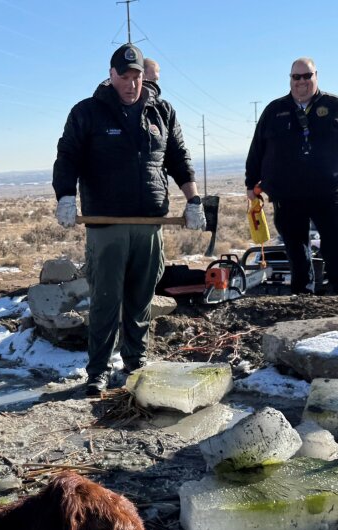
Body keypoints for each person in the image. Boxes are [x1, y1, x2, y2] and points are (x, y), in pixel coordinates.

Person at [53, 43, 203, 398]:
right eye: (124, 76)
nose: (131, 83)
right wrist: (64, 196)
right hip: (106, 225)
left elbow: (179, 158)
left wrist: (193, 200)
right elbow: (67, 156)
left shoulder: (161, 112)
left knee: (141, 299)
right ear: (111, 75)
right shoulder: (87, 112)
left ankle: (136, 363)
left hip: (149, 223)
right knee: (106, 300)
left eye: (136, 76)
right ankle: (98, 373)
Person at [245, 57, 338, 295]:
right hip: (287, 194)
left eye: (306, 76)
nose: (301, 81)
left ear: (316, 76)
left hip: (326, 191)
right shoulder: (274, 110)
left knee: (336, 243)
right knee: (295, 247)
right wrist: (251, 183)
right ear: (290, 79)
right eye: (296, 77)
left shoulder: (335, 106)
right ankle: (302, 296)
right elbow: (257, 149)